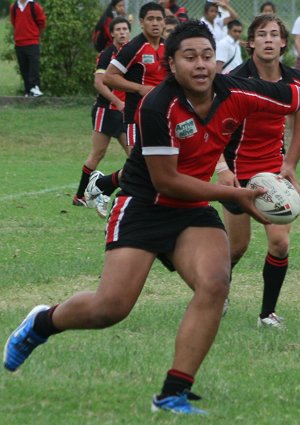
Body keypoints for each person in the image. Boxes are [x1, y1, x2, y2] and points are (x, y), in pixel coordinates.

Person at [4, 20, 300, 416]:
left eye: (208, 56)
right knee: (109, 309)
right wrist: (237, 195)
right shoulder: (158, 104)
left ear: (219, 61)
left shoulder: (237, 91)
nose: (200, 65)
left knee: (215, 283)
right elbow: (168, 181)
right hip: (145, 205)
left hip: (192, 211)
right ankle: (42, 323)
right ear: (171, 64)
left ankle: (173, 393)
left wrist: (286, 163)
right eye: (189, 57)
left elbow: (294, 94)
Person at [217, 14, 300, 327]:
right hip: (236, 173)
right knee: (237, 247)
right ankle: (219, 290)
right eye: (262, 34)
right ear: (251, 42)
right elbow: (213, 129)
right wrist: (222, 168)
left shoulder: (294, 81)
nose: (269, 39)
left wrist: (289, 162)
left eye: (274, 34)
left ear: (282, 43)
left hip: (272, 173)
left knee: (280, 243)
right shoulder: (235, 80)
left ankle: (267, 314)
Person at [86, 2, 167, 217]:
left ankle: (103, 185)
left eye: (159, 19)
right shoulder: (134, 47)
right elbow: (109, 77)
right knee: (140, 167)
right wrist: (140, 88)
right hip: (136, 117)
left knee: (156, 167)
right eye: (151, 19)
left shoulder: (169, 48)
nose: (156, 23)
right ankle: (117, 201)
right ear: (141, 22)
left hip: (161, 118)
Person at [72, 17, 131, 212]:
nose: (122, 32)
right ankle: (80, 196)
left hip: (124, 113)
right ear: (112, 33)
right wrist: (117, 101)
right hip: (106, 111)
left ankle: (119, 193)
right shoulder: (108, 54)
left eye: (125, 29)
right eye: (118, 29)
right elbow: (99, 83)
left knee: (134, 155)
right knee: (97, 153)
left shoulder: (131, 52)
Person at [10, 0, 46, 97]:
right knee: (24, 68)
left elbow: (42, 22)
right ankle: (28, 91)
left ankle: (35, 88)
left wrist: (33, 33)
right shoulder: (14, 7)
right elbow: (14, 22)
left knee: (33, 67)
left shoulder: (35, 6)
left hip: (32, 42)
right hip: (19, 43)